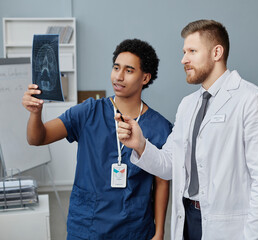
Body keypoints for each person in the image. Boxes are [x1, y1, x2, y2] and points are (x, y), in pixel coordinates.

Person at [116, 20, 258, 240]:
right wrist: (140, 144)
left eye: (192, 51)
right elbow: (169, 165)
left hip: (229, 226)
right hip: (188, 218)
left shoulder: (253, 101)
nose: (183, 59)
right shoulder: (188, 105)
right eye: (184, 52)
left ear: (217, 52)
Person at [22, 39, 172, 240]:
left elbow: (162, 182)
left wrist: (159, 231)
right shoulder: (88, 112)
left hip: (134, 228)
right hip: (87, 226)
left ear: (145, 78)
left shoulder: (160, 126)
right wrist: (35, 114)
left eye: (129, 70)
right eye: (116, 67)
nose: (118, 76)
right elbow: (37, 138)